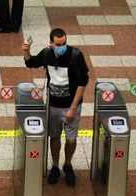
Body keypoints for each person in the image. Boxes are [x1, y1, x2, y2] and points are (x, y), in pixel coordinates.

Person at [23, 28, 89, 185]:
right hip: (53, 105)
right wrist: (26, 51)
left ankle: (67, 164)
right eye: (58, 44)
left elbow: (83, 82)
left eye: (64, 43)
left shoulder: (76, 55)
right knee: (54, 136)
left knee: (71, 138)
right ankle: (54, 166)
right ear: (51, 43)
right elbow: (31, 63)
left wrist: (73, 108)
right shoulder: (47, 54)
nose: (62, 46)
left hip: (72, 104)